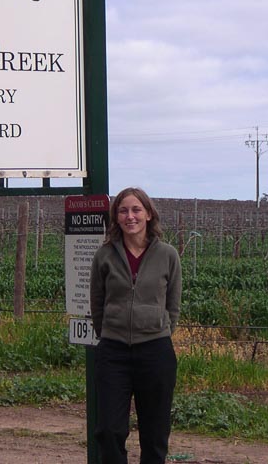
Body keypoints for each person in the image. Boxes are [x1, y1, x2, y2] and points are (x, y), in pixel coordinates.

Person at [90, 187, 182, 464]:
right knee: (109, 430)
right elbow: (97, 304)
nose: (130, 216)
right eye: (123, 210)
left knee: (155, 435)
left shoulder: (168, 255)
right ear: (116, 217)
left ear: (149, 214)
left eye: (136, 210)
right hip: (113, 352)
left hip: (155, 351)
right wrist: (110, 332)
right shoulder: (104, 256)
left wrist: (157, 329)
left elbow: (173, 305)